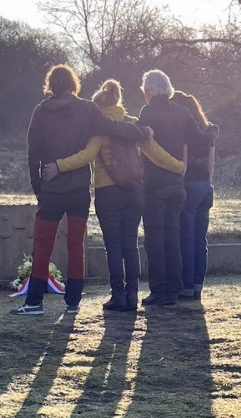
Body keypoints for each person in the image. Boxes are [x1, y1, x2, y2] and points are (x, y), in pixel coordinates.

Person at [16, 65, 151, 316]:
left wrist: (40, 189)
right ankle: (73, 302)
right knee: (76, 243)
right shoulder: (88, 109)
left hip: (51, 189)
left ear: (51, 85)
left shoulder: (40, 111)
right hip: (79, 189)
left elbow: (32, 155)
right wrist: (141, 132)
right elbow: (114, 128)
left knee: (43, 244)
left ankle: (34, 302)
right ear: (73, 84)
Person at [45, 79, 185, 312]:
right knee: (131, 245)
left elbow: (85, 156)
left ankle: (118, 296)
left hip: (108, 192)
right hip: (135, 190)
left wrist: (58, 166)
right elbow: (156, 153)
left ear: (98, 108)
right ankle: (132, 296)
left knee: (114, 246)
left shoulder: (99, 130)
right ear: (118, 102)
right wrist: (179, 166)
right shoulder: (133, 125)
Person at [137, 69, 209, 306]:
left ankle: (159, 290)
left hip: (154, 184)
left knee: (155, 239)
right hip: (177, 185)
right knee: (173, 236)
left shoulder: (147, 112)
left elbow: (139, 139)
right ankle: (174, 290)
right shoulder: (183, 112)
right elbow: (200, 140)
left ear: (150, 90)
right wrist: (213, 132)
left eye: (146, 91)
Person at [172, 91, 217, 302]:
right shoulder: (209, 131)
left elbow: (184, 162)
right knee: (201, 240)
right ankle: (198, 285)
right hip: (205, 187)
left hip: (188, 185)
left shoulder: (185, 131)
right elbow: (211, 164)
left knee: (187, 239)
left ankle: (186, 287)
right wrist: (205, 182)